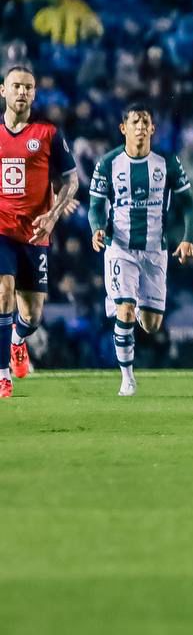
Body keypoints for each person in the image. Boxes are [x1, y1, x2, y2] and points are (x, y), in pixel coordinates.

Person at [89, 102, 193, 396]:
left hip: (154, 251)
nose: (140, 127)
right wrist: (97, 228)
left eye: (145, 121)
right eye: (134, 122)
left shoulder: (167, 163)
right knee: (125, 310)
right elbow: (95, 207)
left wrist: (188, 237)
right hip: (120, 248)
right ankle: (127, 378)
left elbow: (189, 205)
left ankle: (132, 303)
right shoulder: (108, 163)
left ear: (153, 128)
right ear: (123, 128)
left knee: (151, 325)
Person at [0, 61, 79, 399]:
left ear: (35, 93)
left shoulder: (47, 133)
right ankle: (2, 373)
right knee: (3, 292)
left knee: (32, 314)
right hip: (2, 228)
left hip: (35, 233)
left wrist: (54, 215)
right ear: (3, 91)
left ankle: (19, 339)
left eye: (28, 87)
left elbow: (71, 181)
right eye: (16, 85)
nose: (22, 92)